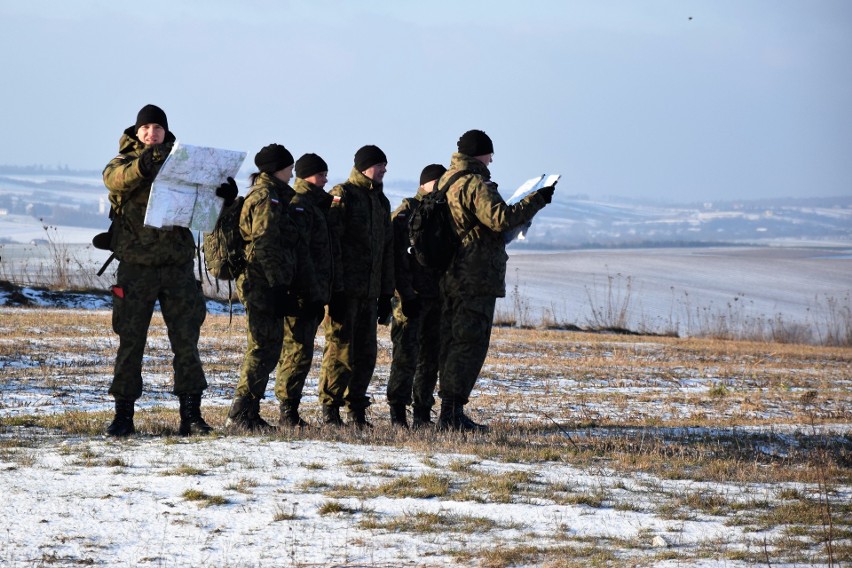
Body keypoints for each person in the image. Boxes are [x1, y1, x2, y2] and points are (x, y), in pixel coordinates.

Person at [102, 104, 237, 436]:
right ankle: (123, 417)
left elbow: (205, 214)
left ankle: (191, 415)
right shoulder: (122, 163)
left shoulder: (185, 166)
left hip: (178, 268)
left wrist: (225, 198)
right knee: (131, 343)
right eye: (145, 127)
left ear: (166, 132)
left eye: (157, 128)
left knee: (186, 342)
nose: (152, 133)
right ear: (136, 132)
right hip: (137, 269)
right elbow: (116, 181)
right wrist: (144, 166)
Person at [438, 129, 556, 432]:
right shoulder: (474, 184)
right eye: (489, 154)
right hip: (473, 277)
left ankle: (447, 412)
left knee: (452, 342)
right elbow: (500, 218)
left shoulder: (446, 180)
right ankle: (451, 415)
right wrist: (537, 199)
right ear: (480, 153)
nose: (492, 160)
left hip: (450, 275)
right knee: (469, 344)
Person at [225, 144, 302, 431]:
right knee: (262, 347)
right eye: (288, 166)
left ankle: (248, 411)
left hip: (266, 280)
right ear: (276, 168)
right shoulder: (267, 197)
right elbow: (265, 242)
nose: (292, 171)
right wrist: (276, 284)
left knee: (268, 347)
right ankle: (241, 413)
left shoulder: (275, 194)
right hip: (261, 281)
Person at [320, 145, 394, 428]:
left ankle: (357, 409)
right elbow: (330, 243)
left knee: (366, 354)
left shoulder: (381, 201)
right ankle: (330, 409)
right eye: (380, 165)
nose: (385, 170)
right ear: (365, 167)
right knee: (341, 351)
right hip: (345, 292)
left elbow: (387, 250)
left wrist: (386, 293)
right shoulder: (344, 195)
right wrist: (334, 288)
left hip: (370, 294)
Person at [275, 153, 340, 427]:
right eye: (320, 174)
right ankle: (287, 411)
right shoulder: (300, 205)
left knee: (302, 353)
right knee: (296, 353)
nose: (325, 179)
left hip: (313, 292)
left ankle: (291, 409)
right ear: (305, 175)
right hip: (300, 294)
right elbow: (300, 254)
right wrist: (304, 292)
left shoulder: (315, 205)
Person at [386, 164, 447, 429]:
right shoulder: (405, 213)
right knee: (405, 356)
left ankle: (422, 411)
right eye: (440, 182)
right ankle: (397, 413)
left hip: (436, 296)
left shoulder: (445, 213)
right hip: (409, 297)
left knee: (430, 359)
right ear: (427, 183)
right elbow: (396, 259)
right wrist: (405, 294)